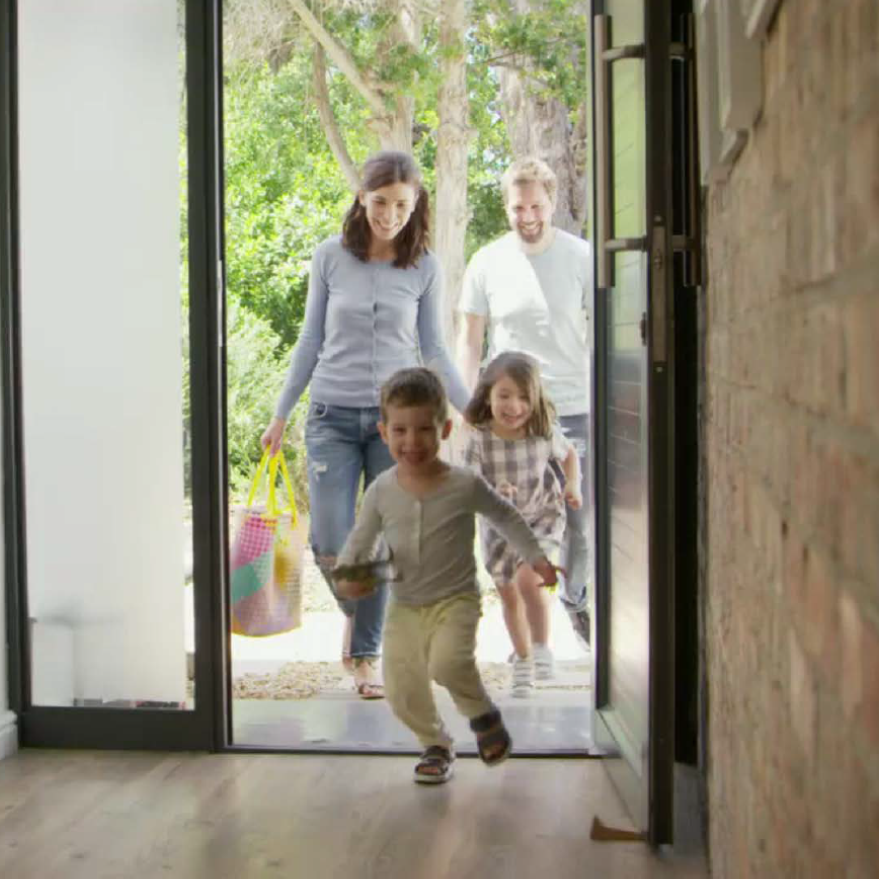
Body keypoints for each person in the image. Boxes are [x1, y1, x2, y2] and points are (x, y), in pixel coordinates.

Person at [261, 151, 470, 700]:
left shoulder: (425, 266)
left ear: (416, 202)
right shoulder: (330, 257)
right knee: (332, 540)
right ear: (361, 198)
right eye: (381, 202)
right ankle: (363, 617)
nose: (391, 215)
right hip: (330, 414)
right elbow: (309, 341)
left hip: (394, 426)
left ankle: (365, 653)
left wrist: (471, 409)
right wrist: (281, 413)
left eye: (402, 204)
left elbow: (435, 351)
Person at [333, 367, 561, 784]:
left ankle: (482, 717)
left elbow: (507, 517)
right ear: (384, 432)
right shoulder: (381, 491)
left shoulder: (463, 484)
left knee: (448, 662)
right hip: (404, 606)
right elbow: (357, 544)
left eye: (424, 429)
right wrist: (347, 577)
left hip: (456, 600)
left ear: (446, 428)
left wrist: (537, 557)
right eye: (400, 430)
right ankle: (435, 744)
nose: (412, 441)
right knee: (400, 690)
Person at [456, 156, 594, 651]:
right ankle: (530, 632)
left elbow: (601, 333)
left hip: (571, 408)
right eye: (518, 206)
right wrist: (464, 409)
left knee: (580, 523)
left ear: (552, 201)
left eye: (537, 205)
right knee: (506, 519)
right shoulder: (488, 261)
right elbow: (470, 340)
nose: (528, 215)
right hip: (507, 417)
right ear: (506, 206)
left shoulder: (581, 257)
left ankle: (574, 598)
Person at [463, 352, 581, 697]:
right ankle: (523, 661)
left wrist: (572, 485)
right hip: (498, 530)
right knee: (509, 596)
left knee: (529, 580)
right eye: (504, 395)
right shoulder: (481, 439)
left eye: (523, 397)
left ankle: (542, 647)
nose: (514, 406)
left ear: (535, 398)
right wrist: (492, 491)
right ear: (488, 395)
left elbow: (569, 454)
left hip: (541, 519)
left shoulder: (542, 432)